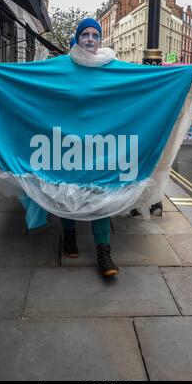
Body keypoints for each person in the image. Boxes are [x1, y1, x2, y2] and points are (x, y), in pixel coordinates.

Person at [61, 18, 119, 277]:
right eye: (85, 34)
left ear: (100, 40)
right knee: (67, 191)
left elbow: (143, 77)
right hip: (67, 143)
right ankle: (69, 234)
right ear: (78, 37)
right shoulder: (63, 66)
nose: (90, 39)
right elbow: (31, 77)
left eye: (96, 35)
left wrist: (187, 74)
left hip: (100, 145)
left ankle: (103, 251)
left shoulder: (111, 67)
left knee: (100, 195)